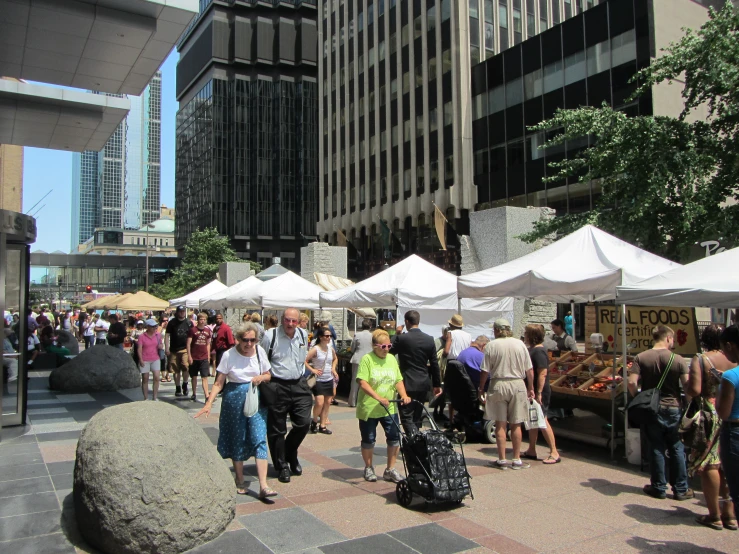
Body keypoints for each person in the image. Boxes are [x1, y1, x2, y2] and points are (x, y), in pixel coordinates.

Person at [195, 323, 277, 499]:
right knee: (237, 437)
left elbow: (269, 375)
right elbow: (219, 383)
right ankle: (239, 479)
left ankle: (264, 485)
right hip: (234, 399)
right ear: (238, 339)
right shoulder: (228, 355)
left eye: (253, 340)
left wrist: (261, 377)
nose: (249, 344)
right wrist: (208, 403)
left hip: (255, 398)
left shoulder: (260, 352)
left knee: (259, 437)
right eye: (245, 340)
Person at [627, 325, 693, 501]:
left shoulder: (640, 357)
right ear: (668, 338)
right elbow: (687, 386)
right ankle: (680, 489)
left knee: (655, 447)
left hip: (652, 408)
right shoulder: (678, 359)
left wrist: (639, 398)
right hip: (673, 407)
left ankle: (658, 487)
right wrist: (688, 402)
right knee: (676, 447)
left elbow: (632, 383)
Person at [686, 324, 737, 530]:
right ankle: (731, 515)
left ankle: (714, 514)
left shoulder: (701, 359)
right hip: (733, 411)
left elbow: (695, 389)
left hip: (709, 413)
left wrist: (687, 387)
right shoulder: (734, 360)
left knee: (710, 464)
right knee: (728, 465)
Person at [259, 307, 312, 483]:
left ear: (298, 321)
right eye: (287, 320)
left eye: (294, 321)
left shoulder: (303, 335)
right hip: (277, 384)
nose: (290, 324)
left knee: (304, 423)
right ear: (282, 319)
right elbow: (262, 359)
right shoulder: (270, 335)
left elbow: (302, 357)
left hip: (298, 383)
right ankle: (281, 466)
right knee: (277, 429)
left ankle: (290, 452)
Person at [356, 328, 411, 483]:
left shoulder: (392, 359)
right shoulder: (367, 359)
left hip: (389, 407)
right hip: (369, 407)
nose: (386, 349)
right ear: (375, 346)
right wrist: (378, 397)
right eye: (383, 347)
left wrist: (404, 395)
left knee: (394, 437)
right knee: (369, 439)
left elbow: (398, 380)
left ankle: (390, 469)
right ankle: (368, 467)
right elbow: (362, 382)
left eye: (389, 346)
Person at [479, 318, 535, 470]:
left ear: (497, 330)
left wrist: (481, 388)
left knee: (500, 423)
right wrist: (531, 387)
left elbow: (485, 370)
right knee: (516, 423)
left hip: (499, 383)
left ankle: (502, 459)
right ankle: (516, 459)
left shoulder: (492, 345)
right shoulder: (520, 344)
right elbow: (529, 369)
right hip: (517, 383)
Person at [391, 310, 442, 435]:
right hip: (423, 382)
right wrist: (437, 384)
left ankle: (413, 441)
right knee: (417, 416)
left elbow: (389, 351)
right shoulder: (429, 339)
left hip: (407, 381)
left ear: (407, 322)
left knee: (406, 415)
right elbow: (434, 364)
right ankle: (416, 440)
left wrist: (396, 334)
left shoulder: (402, 339)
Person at [522, 324, 560, 464]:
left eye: (526, 332)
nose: (524, 334)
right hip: (532, 390)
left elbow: (542, 373)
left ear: (531, 335)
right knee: (533, 419)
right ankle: (532, 449)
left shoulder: (539, 351)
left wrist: (538, 392)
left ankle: (554, 452)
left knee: (542, 419)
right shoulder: (532, 349)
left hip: (540, 391)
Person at [716, 326, 739, 525]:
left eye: (724, 348)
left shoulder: (730, 376)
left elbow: (723, 411)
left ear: (731, 346)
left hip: (734, 433)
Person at [306, 326, 339, 434]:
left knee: (327, 402)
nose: (328, 338)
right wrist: (313, 370)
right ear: (320, 337)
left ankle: (323, 425)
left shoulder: (330, 348)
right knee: (319, 402)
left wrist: (333, 369)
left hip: (328, 378)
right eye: (326, 336)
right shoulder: (315, 349)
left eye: (330, 336)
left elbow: (335, 359)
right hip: (318, 379)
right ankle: (315, 420)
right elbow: (304, 361)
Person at [166, 306, 193, 397]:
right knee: (175, 369)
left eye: (183, 311)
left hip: (185, 349)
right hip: (174, 349)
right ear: (177, 312)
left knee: (186, 366)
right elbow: (167, 335)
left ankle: (185, 383)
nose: (182, 313)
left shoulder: (189, 323)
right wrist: (166, 347)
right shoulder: (172, 323)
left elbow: (192, 336)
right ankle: (178, 387)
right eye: (180, 311)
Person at [187, 312, 213, 402]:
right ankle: (194, 393)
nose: (202, 321)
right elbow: (188, 344)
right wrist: (189, 356)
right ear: (198, 320)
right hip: (194, 356)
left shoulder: (207, 331)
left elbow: (208, 344)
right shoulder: (192, 330)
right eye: (201, 319)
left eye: (204, 319)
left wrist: (208, 356)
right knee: (194, 376)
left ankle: (206, 395)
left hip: (204, 357)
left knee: (204, 377)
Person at [349, 320, 374, 407]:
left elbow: (352, 348)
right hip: (369, 360)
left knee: (355, 381)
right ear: (370, 326)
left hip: (358, 358)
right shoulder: (373, 335)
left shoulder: (357, 335)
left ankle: (352, 401)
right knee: (368, 381)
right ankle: (366, 401)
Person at [137, 319, 162, 401]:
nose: (155, 328)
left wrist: (161, 346)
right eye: (152, 327)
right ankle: (145, 397)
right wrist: (140, 359)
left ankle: (155, 397)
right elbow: (139, 349)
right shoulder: (142, 337)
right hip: (145, 359)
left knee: (157, 377)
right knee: (145, 378)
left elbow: (160, 344)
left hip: (155, 358)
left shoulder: (158, 335)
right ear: (147, 327)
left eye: (155, 326)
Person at [159, 315, 171, 382]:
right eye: (164, 320)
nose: (166, 322)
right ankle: (163, 376)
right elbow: (157, 335)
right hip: (162, 346)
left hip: (169, 346)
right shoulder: (159, 328)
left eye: (167, 320)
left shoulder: (170, 328)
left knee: (169, 361)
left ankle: (168, 374)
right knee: (163, 361)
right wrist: (161, 327)